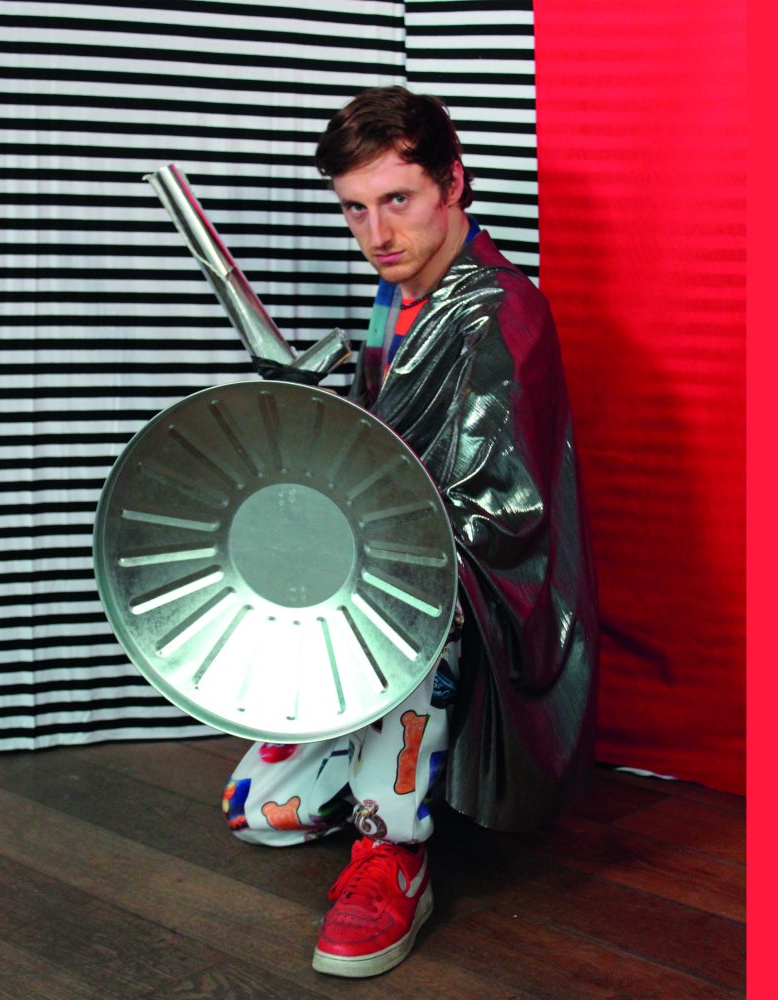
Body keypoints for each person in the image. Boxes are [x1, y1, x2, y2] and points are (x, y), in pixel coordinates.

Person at [221, 86, 599, 978]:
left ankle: (394, 853)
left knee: (410, 605)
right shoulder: (401, 305)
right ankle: (374, 788)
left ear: (453, 183)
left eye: (399, 200)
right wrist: (321, 401)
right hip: (379, 579)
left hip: (469, 601)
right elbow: (383, 455)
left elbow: (497, 515)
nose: (377, 233)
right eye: (356, 208)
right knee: (255, 810)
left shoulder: (503, 310)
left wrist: (372, 562)